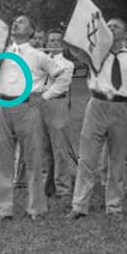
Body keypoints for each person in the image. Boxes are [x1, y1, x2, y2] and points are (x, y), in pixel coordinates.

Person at [67, 19, 127, 219]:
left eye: (116, 26)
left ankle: (114, 206)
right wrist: (69, 35)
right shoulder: (95, 54)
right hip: (96, 106)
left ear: (125, 34)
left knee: (117, 158)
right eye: (108, 26)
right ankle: (79, 206)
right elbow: (76, 51)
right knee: (87, 158)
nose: (111, 28)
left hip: (121, 108)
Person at [0, 14, 58, 222]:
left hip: (27, 106)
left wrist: (45, 95)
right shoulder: (1, 53)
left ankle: (37, 208)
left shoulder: (38, 55)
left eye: (21, 22)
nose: (15, 23)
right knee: (0, 158)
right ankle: (1, 209)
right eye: (14, 21)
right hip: (2, 104)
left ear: (31, 31)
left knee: (33, 158)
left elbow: (61, 75)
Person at [40, 27, 77, 198]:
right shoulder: (40, 59)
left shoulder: (67, 64)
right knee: (44, 147)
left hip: (56, 102)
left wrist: (44, 96)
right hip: (38, 104)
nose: (55, 43)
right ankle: (47, 185)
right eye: (52, 40)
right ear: (46, 43)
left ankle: (63, 187)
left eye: (58, 41)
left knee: (59, 147)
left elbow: (61, 85)